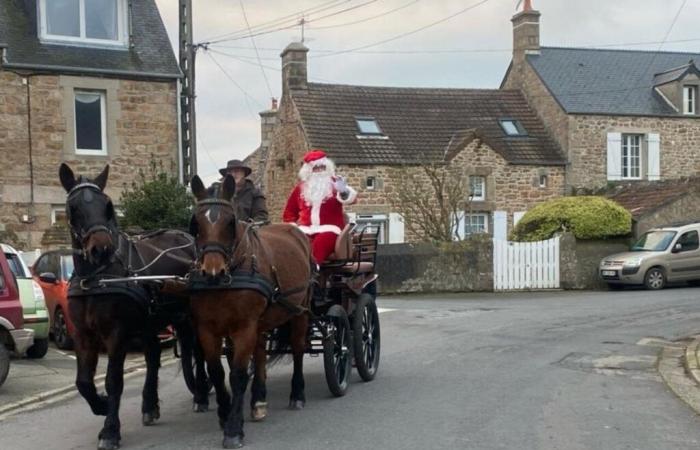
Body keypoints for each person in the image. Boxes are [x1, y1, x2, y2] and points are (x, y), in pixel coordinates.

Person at [283, 149, 357, 264]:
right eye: (316, 168)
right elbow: (289, 213)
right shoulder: (301, 188)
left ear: (327, 167)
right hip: (305, 230)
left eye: (322, 167)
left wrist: (343, 191)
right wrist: (293, 228)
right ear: (309, 170)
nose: (319, 171)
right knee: (294, 245)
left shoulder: (335, 184)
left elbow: (351, 199)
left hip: (330, 230)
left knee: (319, 245)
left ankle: (312, 274)